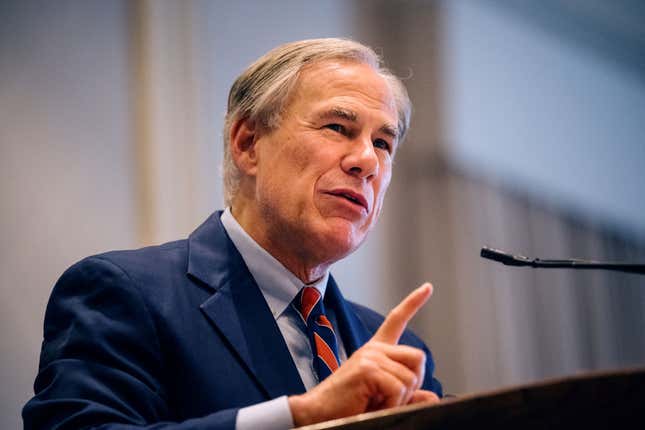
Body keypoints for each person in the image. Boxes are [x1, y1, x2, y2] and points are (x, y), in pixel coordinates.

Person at [23, 38, 442, 429]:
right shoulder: (125, 296)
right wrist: (300, 416)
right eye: (337, 127)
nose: (367, 160)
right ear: (248, 143)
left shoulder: (402, 353)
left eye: (383, 143)